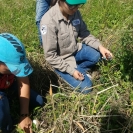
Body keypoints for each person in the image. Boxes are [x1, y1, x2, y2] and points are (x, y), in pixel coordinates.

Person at [40, 0, 113, 94]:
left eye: (78, 5)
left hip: (75, 50)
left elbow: (84, 34)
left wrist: (100, 47)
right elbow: (50, 56)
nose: (75, 9)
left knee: (98, 56)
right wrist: (71, 71)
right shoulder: (48, 22)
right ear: (60, 1)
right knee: (86, 88)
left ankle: (79, 70)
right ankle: (63, 73)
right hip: (61, 60)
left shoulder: (75, 13)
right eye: (71, 6)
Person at [0, 33, 44, 133]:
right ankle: (8, 128)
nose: (14, 72)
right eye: (11, 69)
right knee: (1, 108)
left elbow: (23, 82)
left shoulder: (12, 57)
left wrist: (24, 115)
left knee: (38, 101)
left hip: (9, 83)